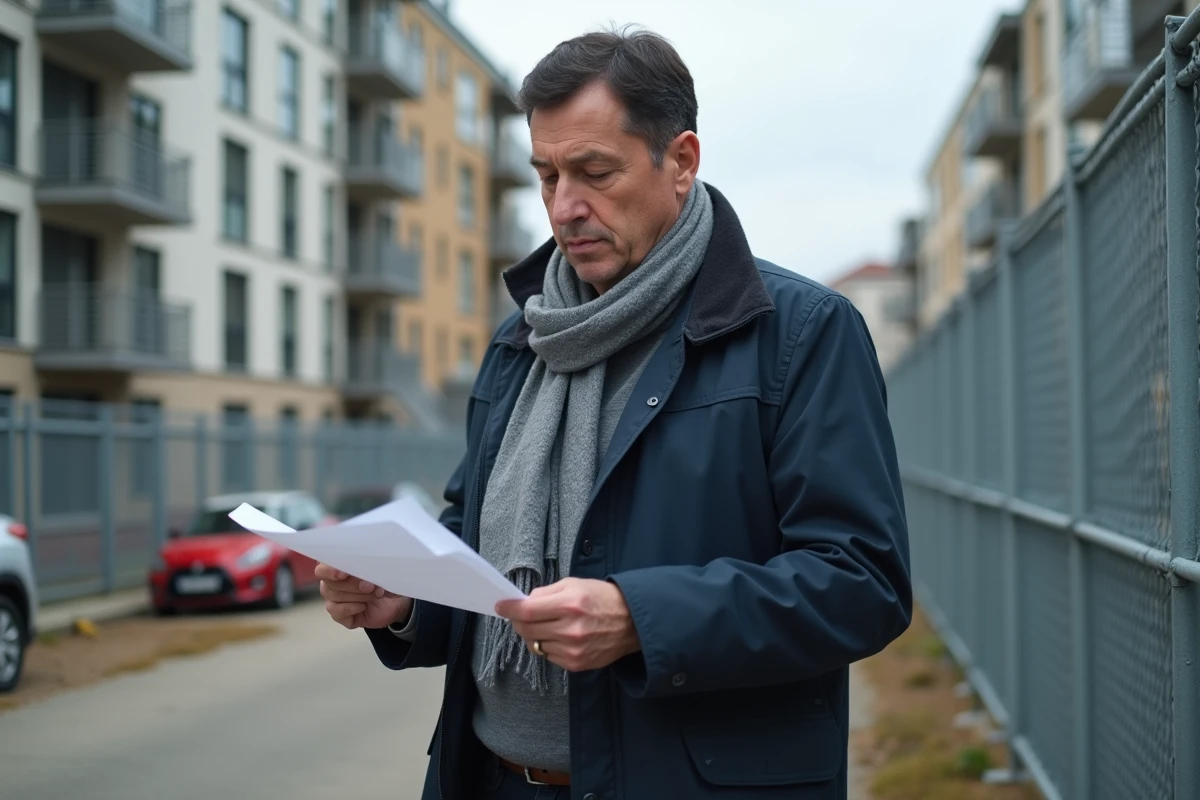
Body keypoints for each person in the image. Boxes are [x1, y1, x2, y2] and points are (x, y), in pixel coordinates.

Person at [317, 26, 912, 800]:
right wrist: (404, 603)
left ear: (682, 162)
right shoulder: (522, 340)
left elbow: (862, 583)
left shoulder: (799, 332)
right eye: (547, 176)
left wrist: (641, 617)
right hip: (491, 780)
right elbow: (473, 544)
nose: (566, 208)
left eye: (594, 172)